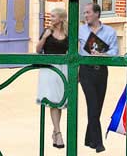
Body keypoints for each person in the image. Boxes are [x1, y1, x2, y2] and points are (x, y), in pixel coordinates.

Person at [76, 5, 119, 153]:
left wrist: (103, 55)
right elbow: (73, 50)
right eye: (84, 12)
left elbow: (114, 51)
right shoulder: (80, 30)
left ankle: (89, 139)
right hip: (85, 71)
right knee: (92, 105)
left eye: (88, 12)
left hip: (101, 71)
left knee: (97, 107)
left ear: (97, 14)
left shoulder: (110, 32)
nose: (85, 15)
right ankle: (99, 143)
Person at [37, 9, 71, 149]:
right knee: (53, 101)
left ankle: (55, 131)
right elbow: (38, 50)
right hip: (49, 70)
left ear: (61, 18)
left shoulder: (68, 34)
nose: (50, 17)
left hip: (63, 69)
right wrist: (44, 37)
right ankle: (58, 133)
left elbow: (73, 51)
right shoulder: (47, 32)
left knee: (60, 101)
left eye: (53, 15)